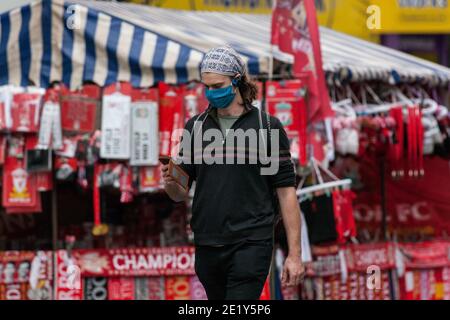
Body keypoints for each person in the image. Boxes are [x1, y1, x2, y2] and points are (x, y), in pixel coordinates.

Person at [162, 46, 305, 300]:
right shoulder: (196, 127)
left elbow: (286, 193)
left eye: (218, 86)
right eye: (207, 87)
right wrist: (171, 181)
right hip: (207, 244)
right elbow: (178, 195)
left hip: (251, 243)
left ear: (237, 81)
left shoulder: (267, 127)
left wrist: (295, 254)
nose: (211, 93)